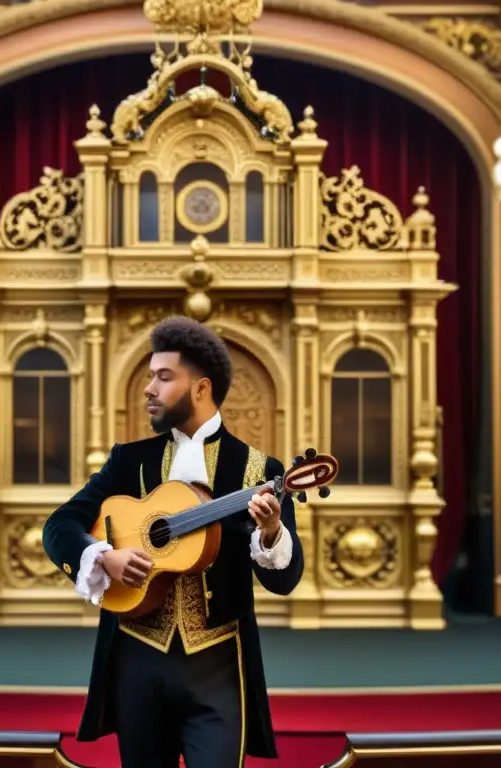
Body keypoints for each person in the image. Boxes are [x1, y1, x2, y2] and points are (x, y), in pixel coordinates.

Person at [42, 316, 304, 767]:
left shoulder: (260, 471)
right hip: (136, 662)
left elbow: (286, 581)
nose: (149, 388)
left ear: (200, 388)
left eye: (164, 377)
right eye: (149, 376)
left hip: (218, 667)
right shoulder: (129, 461)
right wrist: (103, 556)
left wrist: (271, 532)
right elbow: (60, 526)